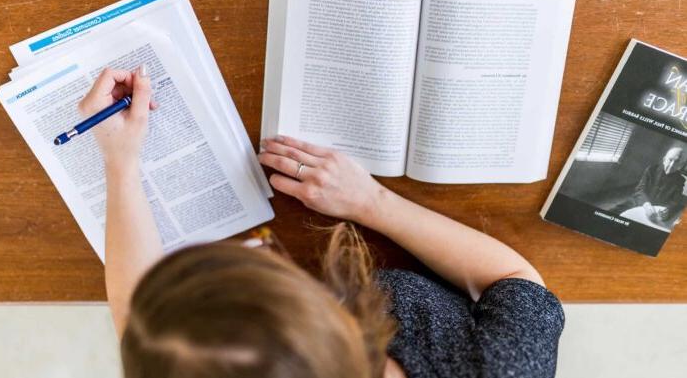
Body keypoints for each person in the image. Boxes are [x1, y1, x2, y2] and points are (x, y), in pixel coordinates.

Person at [81, 67, 564, 378]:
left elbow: (141, 320)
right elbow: (517, 283)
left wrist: (121, 165)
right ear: (326, 316)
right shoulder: (502, 371)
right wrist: (372, 202)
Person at [609, 147, 687, 222]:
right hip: (639, 202)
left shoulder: (680, 180)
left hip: (659, 211)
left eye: (677, 162)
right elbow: (640, 190)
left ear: (680, 165)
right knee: (612, 213)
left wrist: (669, 210)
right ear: (664, 159)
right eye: (670, 160)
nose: (671, 165)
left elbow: (676, 200)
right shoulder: (651, 170)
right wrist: (646, 205)